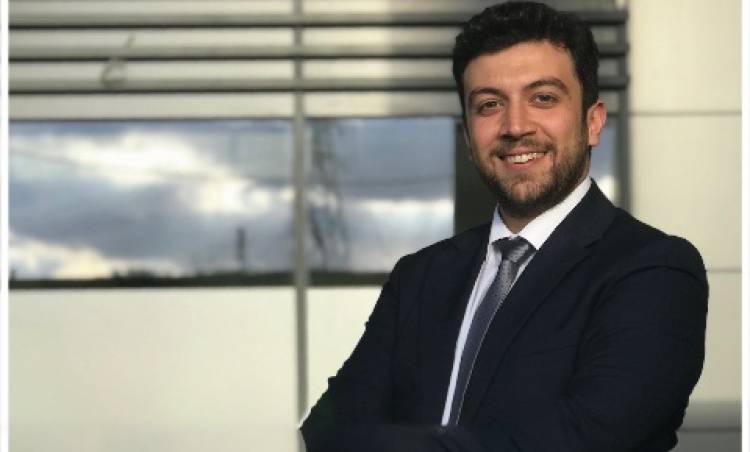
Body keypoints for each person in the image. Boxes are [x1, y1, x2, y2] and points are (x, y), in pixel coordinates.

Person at [301, 2, 708, 451]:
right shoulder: (420, 276)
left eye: (543, 98)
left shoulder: (653, 271)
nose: (515, 126)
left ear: (592, 122)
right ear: (468, 134)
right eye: (489, 105)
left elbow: (586, 439)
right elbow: (328, 429)